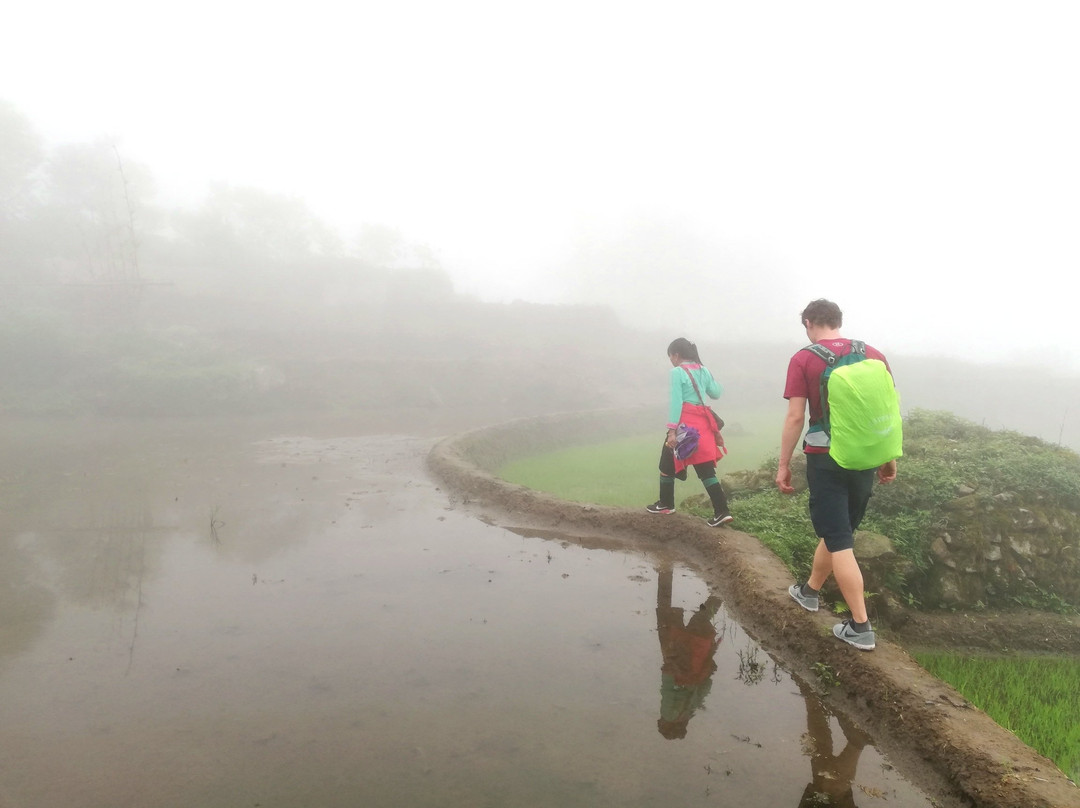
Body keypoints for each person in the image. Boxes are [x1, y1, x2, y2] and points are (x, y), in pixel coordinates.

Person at [776, 299, 897, 651]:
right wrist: (888, 458)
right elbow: (887, 410)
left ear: (809, 322)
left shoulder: (803, 358)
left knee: (840, 539)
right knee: (838, 530)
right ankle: (810, 592)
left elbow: (796, 417)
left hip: (826, 458)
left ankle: (861, 626)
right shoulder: (873, 354)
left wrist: (783, 464)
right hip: (865, 456)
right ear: (839, 321)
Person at [646, 337, 733, 527]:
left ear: (676, 355)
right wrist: (708, 377)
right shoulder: (703, 370)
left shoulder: (677, 372)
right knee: (705, 470)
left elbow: (677, 402)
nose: (671, 361)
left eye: (671, 357)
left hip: (685, 426)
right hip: (703, 425)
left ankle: (666, 504)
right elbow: (716, 393)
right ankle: (722, 511)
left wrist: (671, 431)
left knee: (666, 463)